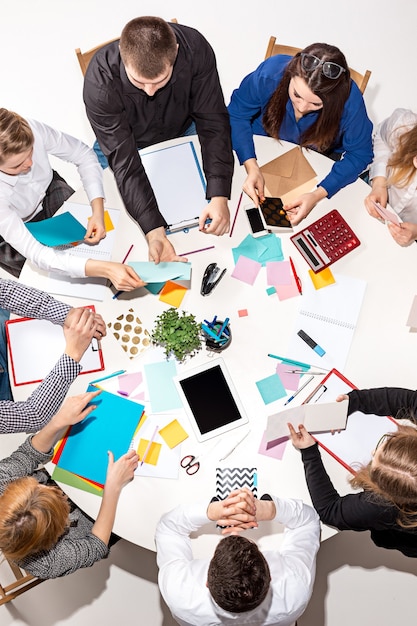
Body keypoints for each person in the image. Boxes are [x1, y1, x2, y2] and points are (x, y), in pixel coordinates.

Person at [83, 16, 234, 262]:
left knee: (208, 210)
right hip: (125, 140)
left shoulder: (195, 48)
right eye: (139, 82)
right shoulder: (99, 83)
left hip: (183, 128)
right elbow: (125, 163)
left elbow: (213, 122)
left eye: (160, 81)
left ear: (175, 52)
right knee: (121, 230)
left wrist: (219, 195)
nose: (150, 91)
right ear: (123, 54)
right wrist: (154, 232)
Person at [228, 42, 373, 225]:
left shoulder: (350, 102)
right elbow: (236, 114)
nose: (302, 108)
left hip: (317, 155)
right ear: (290, 75)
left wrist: (317, 194)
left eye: (316, 104)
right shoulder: (270, 74)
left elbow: (360, 154)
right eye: (297, 95)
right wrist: (251, 164)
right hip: (259, 143)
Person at [0, 108, 144, 291]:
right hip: (9, 230)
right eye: (17, 165)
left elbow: (84, 155)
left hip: (49, 190)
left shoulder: (30, 129)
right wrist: (106, 270)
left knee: (91, 246)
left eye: (30, 152)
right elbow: (38, 254)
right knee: (49, 284)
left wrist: (97, 211)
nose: (30, 164)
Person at [0, 389, 139, 578]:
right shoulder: (47, 564)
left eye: (37, 485)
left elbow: (28, 454)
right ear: (56, 531)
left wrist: (58, 421)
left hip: (79, 470)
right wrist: (112, 488)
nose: (59, 493)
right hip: (105, 516)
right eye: (58, 499)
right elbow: (95, 545)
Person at [155, 488, 320, 625]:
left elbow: (168, 528)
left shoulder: (179, 594)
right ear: (270, 578)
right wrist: (267, 509)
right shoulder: (295, 589)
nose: (236, 530)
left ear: (206, 582)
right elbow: (308, 522)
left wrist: (213, 511)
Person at [288, 386, 417, 557]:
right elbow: (411, 400)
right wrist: (355, 401)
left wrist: (309, 452)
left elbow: (330, 510)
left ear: (383, 492)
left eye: (374, 465)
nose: (372, 452)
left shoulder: (381, 507)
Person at [0, 277, 105, 423]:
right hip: (8, 391)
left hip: (9, 329)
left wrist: (69, 315)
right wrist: (73, 353)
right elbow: (33, 414)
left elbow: (4, 292)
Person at [364, 108, 417, 246]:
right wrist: (379, 183)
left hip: (405, 239)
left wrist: (416, 231)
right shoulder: (405, 125)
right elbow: (381, 137)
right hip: (369, 193)